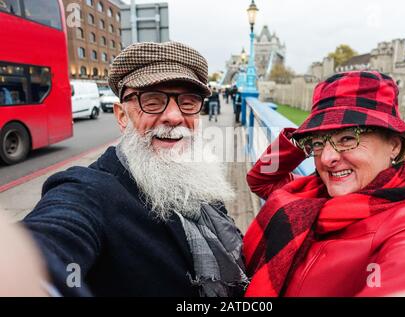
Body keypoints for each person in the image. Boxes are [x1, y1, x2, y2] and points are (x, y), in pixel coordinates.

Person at [21, 41, 248, 297]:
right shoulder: (88, 192)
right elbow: (48, 240)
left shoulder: (201, 176)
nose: (174, 116)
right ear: (121, 116)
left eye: (188, 102)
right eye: (151, 101)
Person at [243, 71, 405, 297]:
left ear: (394, 144)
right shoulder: (310, 192)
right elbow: (261, 179)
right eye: (318, 143)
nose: (326, 158)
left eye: (348, 138)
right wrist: (300, 140)